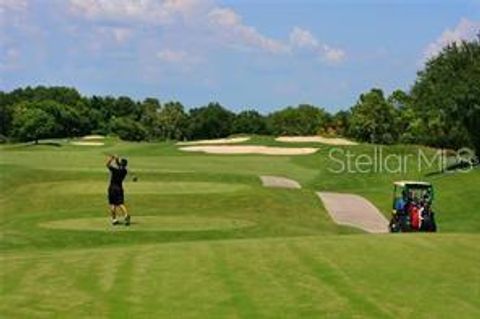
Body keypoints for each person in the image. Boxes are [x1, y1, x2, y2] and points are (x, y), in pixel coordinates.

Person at [106, 155, 130, 225]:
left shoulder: (115, 170)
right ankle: (126, 215)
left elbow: (107, 165)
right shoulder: (124, 171)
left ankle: (114, 219)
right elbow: (120, 166)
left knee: (112, 204)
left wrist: (111, 159)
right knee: (121, 203)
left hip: (112, 188)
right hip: (119, 188)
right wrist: (116, 160)